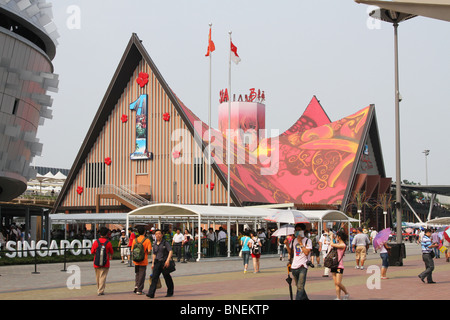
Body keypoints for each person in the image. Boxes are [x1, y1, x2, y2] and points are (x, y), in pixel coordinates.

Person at [284, 223, 312, 300]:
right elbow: (291, 253)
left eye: (299, 230)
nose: (297, 232)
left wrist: (300, 243)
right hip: (294, 266)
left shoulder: (308, 241)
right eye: (296, 230)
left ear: (303, 230)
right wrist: (286, 244)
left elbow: (306, 252)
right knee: (299, 286)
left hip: (303, 266)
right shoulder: (293, 241)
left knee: (300, 287)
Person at [147, 229, 174, 298]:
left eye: (159, 234)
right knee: (154, 278)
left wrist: (168, 260)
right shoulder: (155, 244)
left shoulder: (165, 243)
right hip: (157, 262)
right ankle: (151, 293)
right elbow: (154, 254)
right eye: (156, 234)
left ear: (162, 235)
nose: (158, 235)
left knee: (167, 277)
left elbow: (170, 251)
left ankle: (170, 292)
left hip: (164, 263)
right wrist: (153, 263)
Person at [91, 227, 114, 296]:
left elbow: (92, 252)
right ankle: (100, 290)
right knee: (103, 276)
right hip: (105, 262)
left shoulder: (96, 242)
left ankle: (99, 289)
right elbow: (111, 252)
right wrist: (110, 256)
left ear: (100, 233)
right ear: (107, 234)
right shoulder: (108, 243)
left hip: (96, 262)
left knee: (98, 276)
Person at [131, 225, 152, 295]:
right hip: (143, 260)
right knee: (142, 275)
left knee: (137, 274)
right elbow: (149, 251)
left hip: (136, 260)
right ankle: (139, 290)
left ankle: (136, 287)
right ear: (144, 232)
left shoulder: (135, 240)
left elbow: (132, 250)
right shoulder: (147, 240)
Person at [329, 230, 349, 300]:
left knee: (338, 282)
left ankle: (346, 293)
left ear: (339, 237)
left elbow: (332, 244)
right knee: (335, 283)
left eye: (337, 236)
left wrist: (331, 238)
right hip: (334, 264)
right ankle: (338, 297)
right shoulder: (337, 244)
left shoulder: (343, 245)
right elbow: (331, 244)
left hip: (339, 265)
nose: (336, 237)